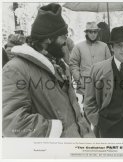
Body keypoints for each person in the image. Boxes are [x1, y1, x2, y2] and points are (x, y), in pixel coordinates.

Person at [2, 3, 94, 138]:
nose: (66, 40)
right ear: (48, 39)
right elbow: (12, 124)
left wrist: (85, 132)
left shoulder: (60, 66)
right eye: (63, 35)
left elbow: (73, 109)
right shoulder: (15, 69)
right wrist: (55, 129)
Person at [69, 21, 111, 102]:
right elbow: (73, 64)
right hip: (85, 85)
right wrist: (78, 80)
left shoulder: (104, 46)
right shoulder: (79, 47)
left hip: (101, 84)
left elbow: (109, 64)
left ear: (98, 33)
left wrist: (106, 80)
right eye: (90, 32)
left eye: (95, 32)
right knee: (88, 109)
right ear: (86, 33)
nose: (93, 34)